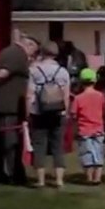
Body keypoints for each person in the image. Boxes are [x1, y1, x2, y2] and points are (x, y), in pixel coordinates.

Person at [0, 32, 37, 185]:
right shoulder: (18, 55)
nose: (33, 54)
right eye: (34, 50)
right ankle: (16, 176)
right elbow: (2, 74)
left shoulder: (6, 52)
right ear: (29, 45)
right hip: (7, 106)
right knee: (11, 143)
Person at [28, 41, 72, 189]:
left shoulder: (34, 71)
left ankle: (40, 180)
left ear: (42, 52)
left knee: (39, 145)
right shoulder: (63, 71)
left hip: (39, 112)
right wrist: (66, 111)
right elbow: (66, 95)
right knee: (57, 146)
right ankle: (59, 180)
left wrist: (28, 112)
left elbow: (30, 94)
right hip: (58, 112)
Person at [71, 68, 105, 186]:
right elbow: (104, 109)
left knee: (87, 154)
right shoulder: (100, 96)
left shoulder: (78, 98)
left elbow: (73, 114)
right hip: (98, 128)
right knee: (98, 153)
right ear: (95, 81)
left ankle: (89, 178)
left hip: (84, 130)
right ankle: (98, 177)